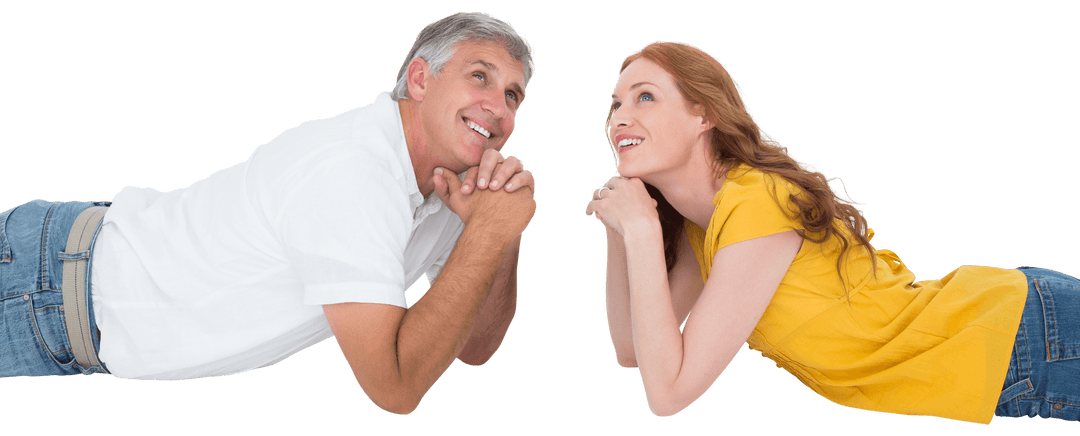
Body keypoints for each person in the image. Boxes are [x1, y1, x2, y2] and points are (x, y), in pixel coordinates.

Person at [0, 11, 536, 416]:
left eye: (514, 95)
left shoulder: (451, 194)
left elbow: (473, 345)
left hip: (79, 326)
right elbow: (395, 388)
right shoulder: (351, 172)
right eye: (481, 77)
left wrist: (500, 233)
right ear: (420, 80)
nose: (500, 105)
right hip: (41, 281)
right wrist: (488, 231)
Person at [584, 40, 1080, 425]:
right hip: (1010, 357)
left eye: (644, 96)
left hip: (1025, 333)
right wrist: (620, 230)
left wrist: (643, 228)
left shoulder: (758, 201)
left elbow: (668, 394)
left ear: (704, 114)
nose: (619, 116)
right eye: (615, 103)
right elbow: (634, 351)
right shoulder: (703, 230)